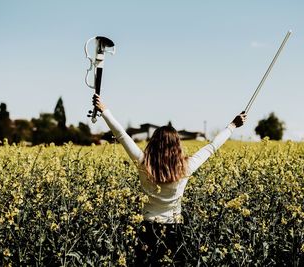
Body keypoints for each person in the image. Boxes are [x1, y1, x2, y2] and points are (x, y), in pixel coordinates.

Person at [92, 94, 246, 266]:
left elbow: (121, 135)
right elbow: (211, 147)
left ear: (153, 143)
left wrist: (104, 110)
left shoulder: (144, 163)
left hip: (147, 229)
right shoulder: (186, 167)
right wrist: (232, 126)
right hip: (174, 229)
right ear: (177, 146)